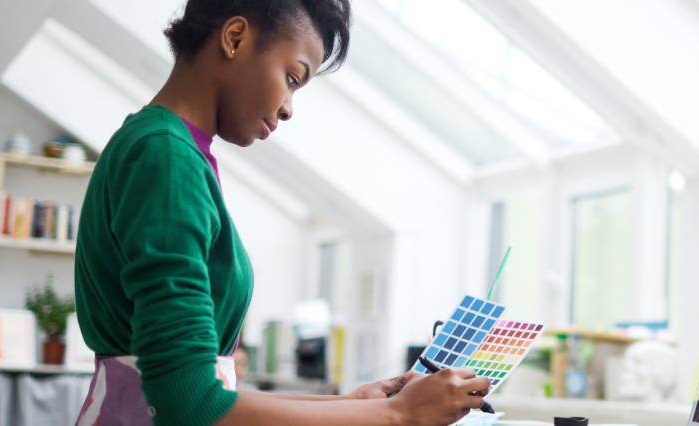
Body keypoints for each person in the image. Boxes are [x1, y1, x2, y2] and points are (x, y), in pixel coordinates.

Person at [71, 1, 489, 425]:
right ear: (235, 38)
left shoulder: (163, 147)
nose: (288, 108)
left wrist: (357, 403)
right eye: (291, 78)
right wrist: (397, 414)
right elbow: (188, 402)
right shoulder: (167, 158)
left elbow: (202, 390)